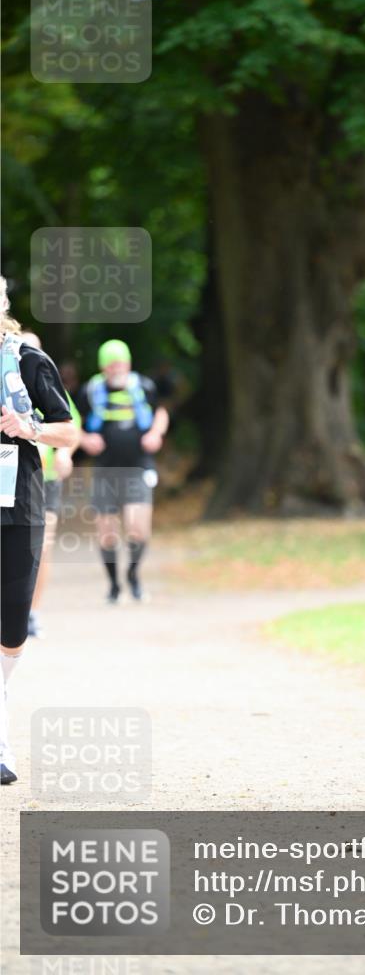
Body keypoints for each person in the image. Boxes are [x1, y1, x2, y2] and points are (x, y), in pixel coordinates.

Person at [0, 276, 77, 784]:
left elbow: (69, 429)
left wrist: (27, 428)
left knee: (10, 629)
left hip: (17, 504)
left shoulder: (28, 361)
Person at [79, 340, 169, 602]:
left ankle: (133, 575)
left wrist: (155, 433)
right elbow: (69, 419)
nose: (117, 368)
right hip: (104, 470)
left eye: (121, 363)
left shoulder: (144, 386)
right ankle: (114, 585)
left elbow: (161, 412)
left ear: (128, 363)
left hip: (138, 467)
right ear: (103, 366)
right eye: (112, 363)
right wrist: (85, 439)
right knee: (107, 533)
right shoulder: (90, 390)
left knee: (137, 528)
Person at [19, 332, 82, 639]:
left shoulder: (47, 379)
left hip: (46, 480)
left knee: (41, 548)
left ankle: (32, 612)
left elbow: (72, 429)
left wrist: (65, 454)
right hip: (15, 481)